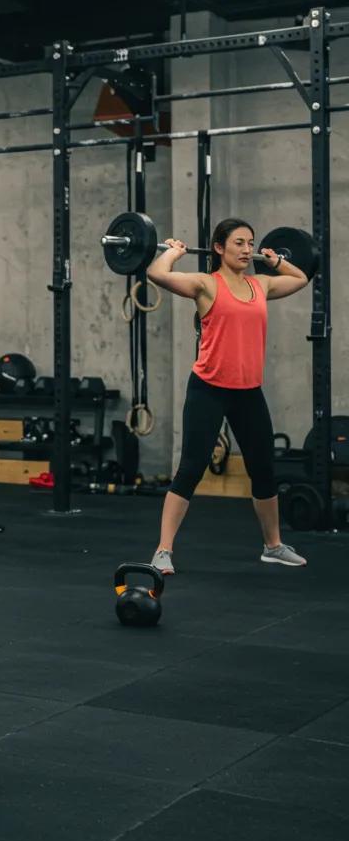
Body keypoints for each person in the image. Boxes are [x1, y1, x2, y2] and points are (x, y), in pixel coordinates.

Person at [147, 218, 310, 575]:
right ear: (219, 248)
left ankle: (273, 546)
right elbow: (156, 273)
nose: (247, 250)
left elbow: (301, 278)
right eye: (239, 243)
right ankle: (163, 550)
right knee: (191, 468)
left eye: (251, 243)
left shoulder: (260, 284)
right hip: (209, 389)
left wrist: (276, 261)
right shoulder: (206, 284)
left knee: (263, 468)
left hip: (248, 392)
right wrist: (173, 253)